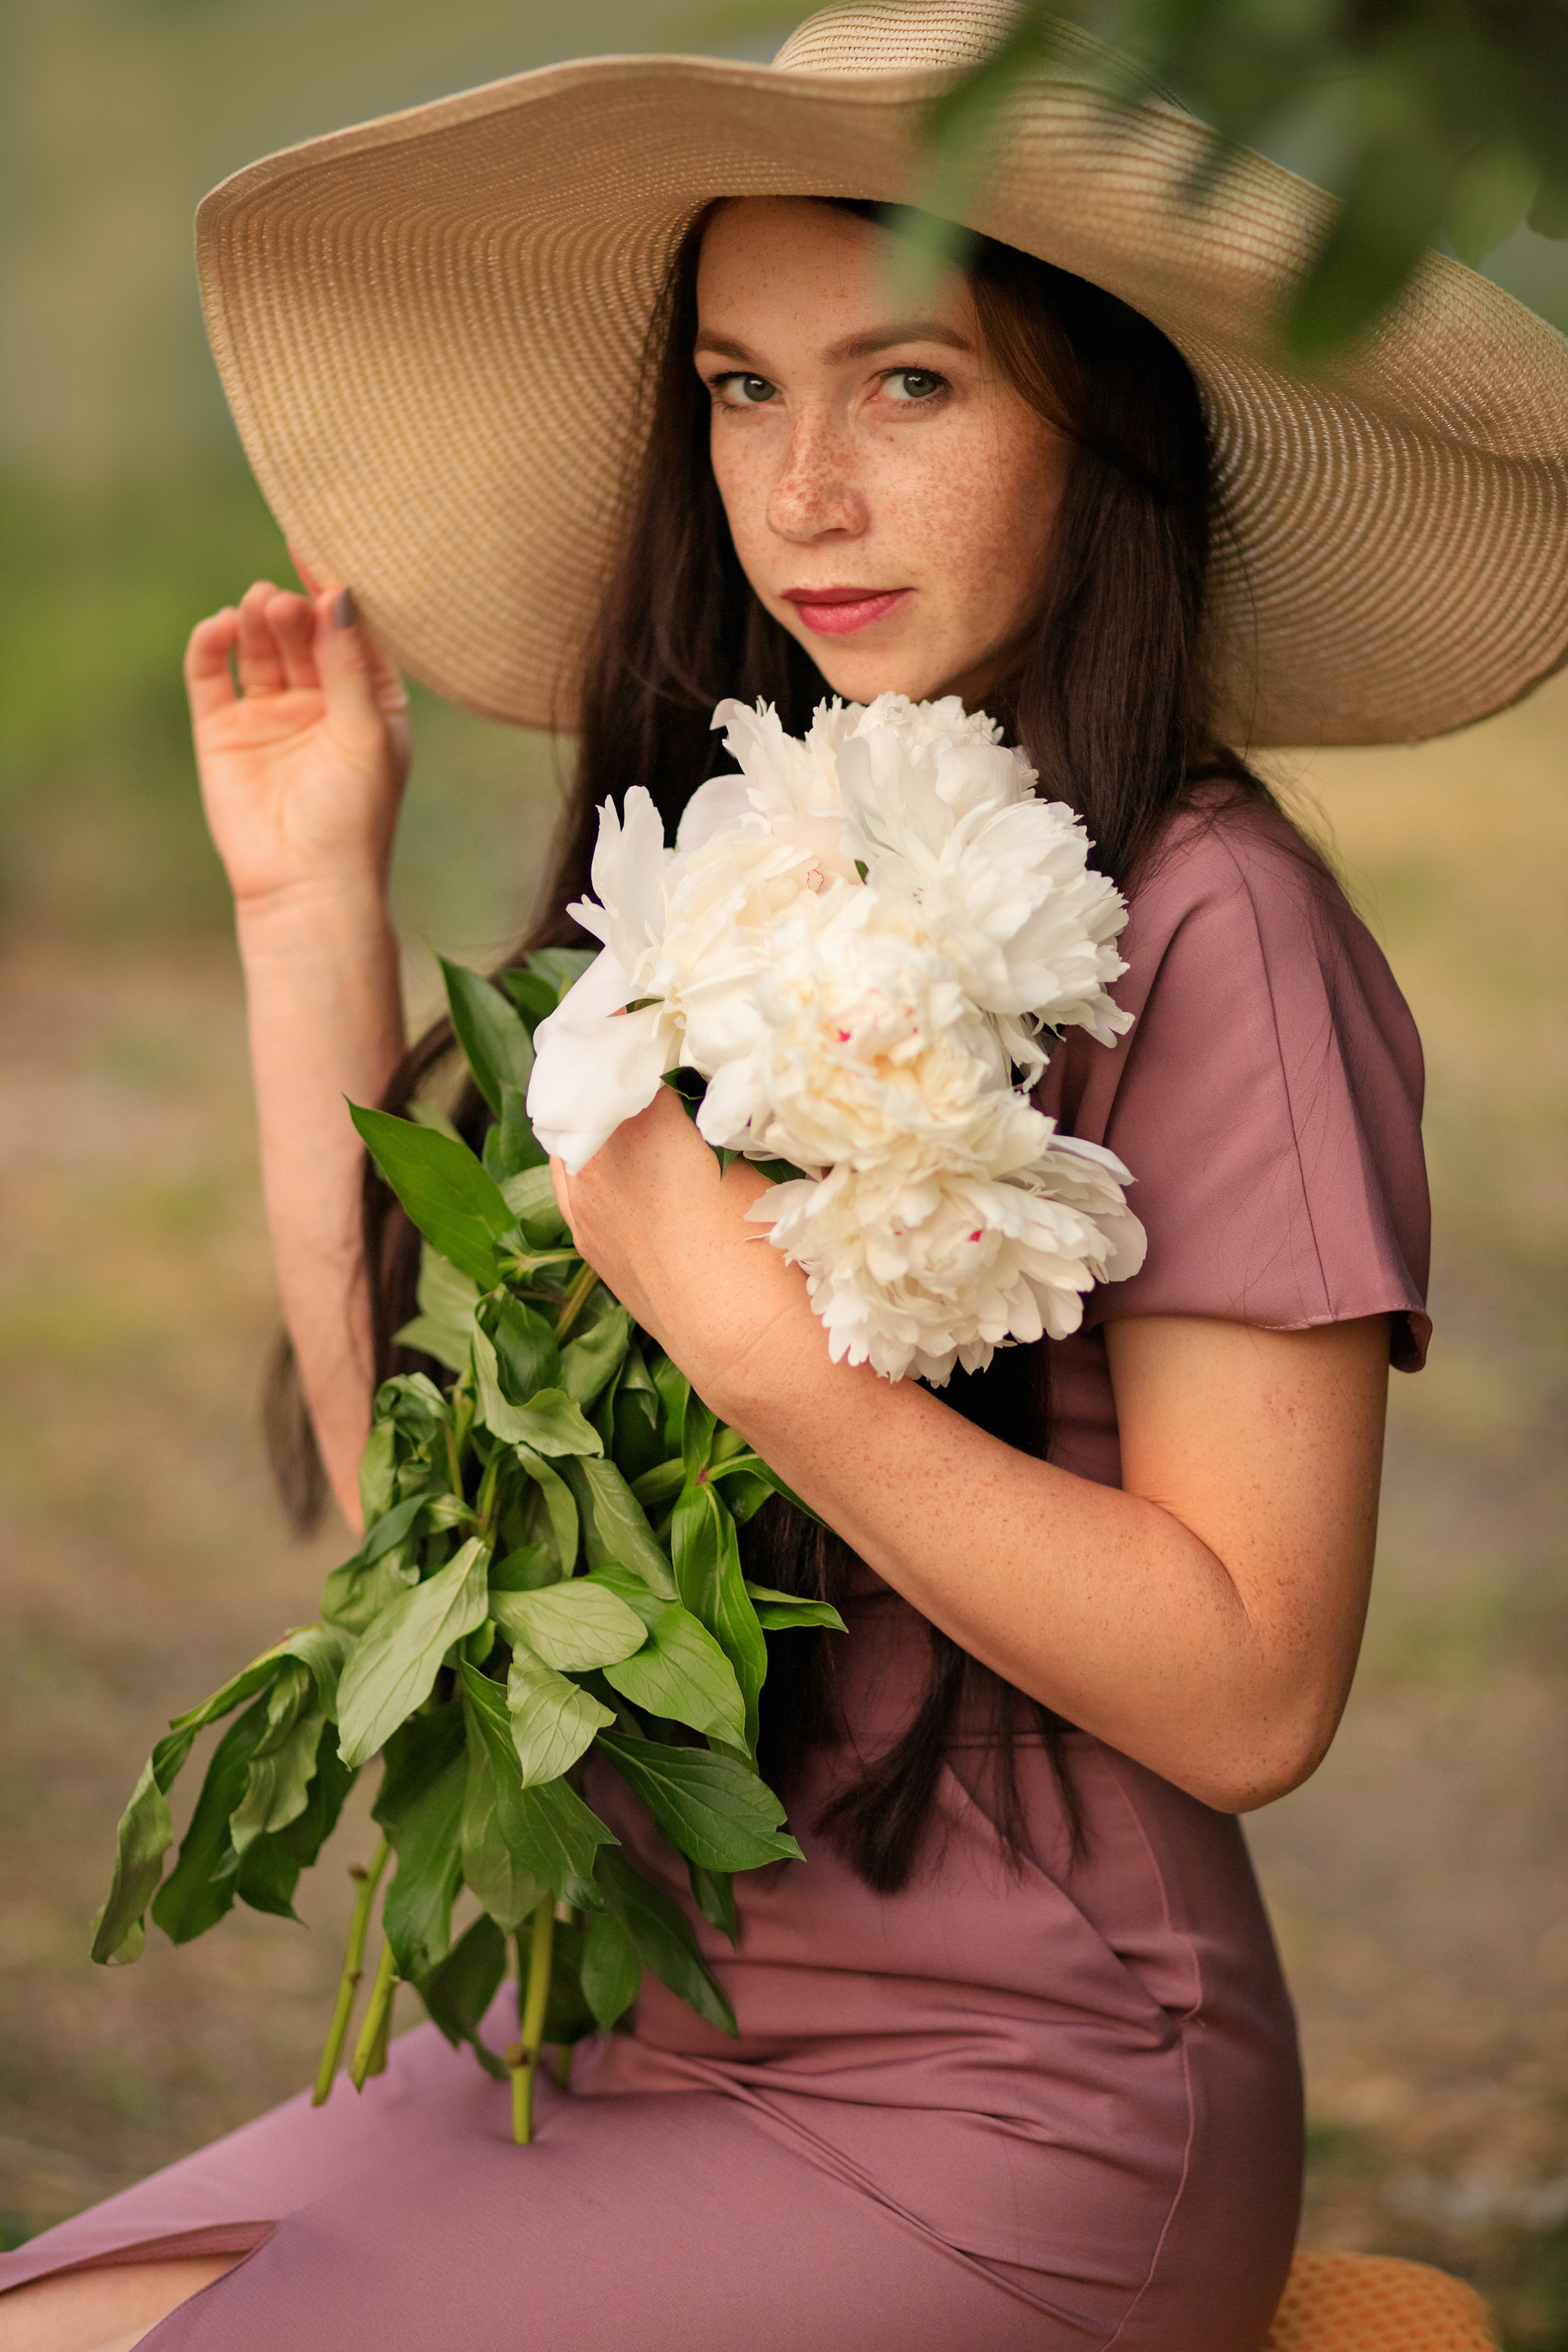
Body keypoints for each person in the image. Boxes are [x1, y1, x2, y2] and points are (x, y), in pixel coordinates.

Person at [5, 4, 1563, 2346]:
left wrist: (746, 1332)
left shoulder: (1211, 923)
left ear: (1107, 412)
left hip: (1011, 2106)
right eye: (744, 387)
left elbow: (1254, 1690)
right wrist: (303, 906)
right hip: (584, 2047)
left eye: (910, 384)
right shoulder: (734, 856)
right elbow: (436, 1547)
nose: (804, 489)